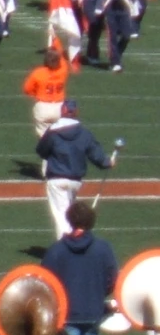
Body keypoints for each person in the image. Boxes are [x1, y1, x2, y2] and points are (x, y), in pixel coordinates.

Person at [40, 201, 119, 335]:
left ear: (69, 220)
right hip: (93, 313)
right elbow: (112, 279)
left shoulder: (56, 250)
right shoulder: (103, 248)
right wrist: (98, 294)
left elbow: (45, 283)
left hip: (66, 315)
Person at [36, 103, 114, 241]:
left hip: (57, 178)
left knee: (62, 215)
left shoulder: (53, 131)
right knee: (70, 214)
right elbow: (96, 154)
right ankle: (74, 243)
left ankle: (67, 246)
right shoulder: (84, 133)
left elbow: (41, 151)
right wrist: (107, 162)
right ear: (76, 112)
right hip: (75, 180)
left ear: (62, 111)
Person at [24, 46, 71, 138]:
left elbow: (27, 89)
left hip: (43, 107)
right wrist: (55, 41)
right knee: (60, 135)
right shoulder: (63, 71)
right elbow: (62, 58)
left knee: (44, 138)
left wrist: (36, 94)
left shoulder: (38, 73)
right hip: (59, 107)